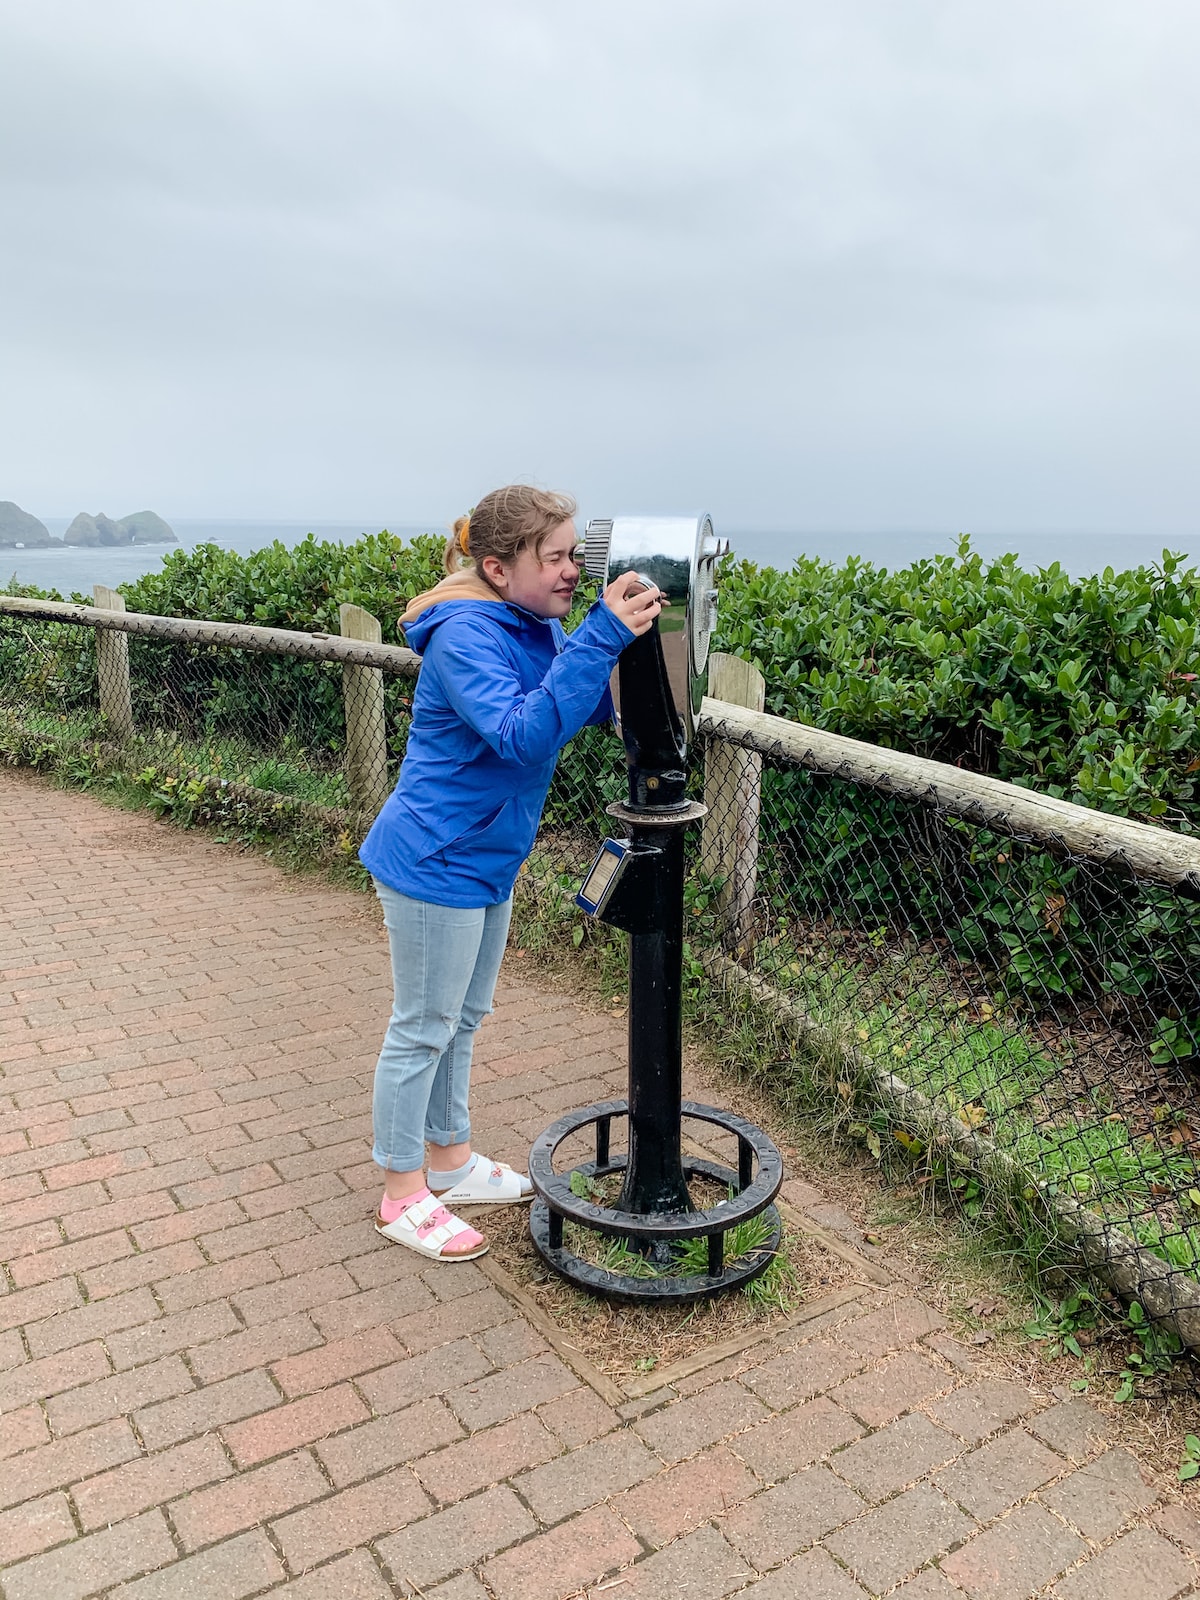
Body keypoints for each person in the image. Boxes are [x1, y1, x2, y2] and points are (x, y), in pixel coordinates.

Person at [359, 485, 662, 1260]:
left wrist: (627, 651)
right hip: (435, 860)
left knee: (463, 1019)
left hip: (485, 858)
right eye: (554, 559)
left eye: (575, 556)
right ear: (497, 567)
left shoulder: (534, 625)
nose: (572, 573)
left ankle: (450, 1161)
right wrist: (599, 636)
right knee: (422, 1028)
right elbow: (522, 735)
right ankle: (401, 1194)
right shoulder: (466, 636)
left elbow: (574, 705)